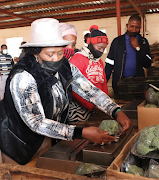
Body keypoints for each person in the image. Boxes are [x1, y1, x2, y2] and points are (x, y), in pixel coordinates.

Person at [0, 18, 130, 165]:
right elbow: (36, 123)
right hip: (20, 144)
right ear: (36, 53)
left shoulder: (64, 67)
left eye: (60, 53)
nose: (56, 59)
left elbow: (89, 90)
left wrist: (115, 110)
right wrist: (80, 133)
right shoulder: (23, 77)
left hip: (50, 136)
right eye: (50, 54)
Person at [69, 25, 109, 122]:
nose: (101, 51)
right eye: (99, 48)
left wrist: (106, 102)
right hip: (80, 110)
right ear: (90, 43)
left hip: (98, 107)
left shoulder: (99, 61)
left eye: (104, 48)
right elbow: (74, 89)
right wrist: (91, 106)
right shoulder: (77, 59)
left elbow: (103, 83)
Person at [105, 14, 152, 94]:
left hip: (138, 83)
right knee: (121, 105)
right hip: (119, 83)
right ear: (127, 25)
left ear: (140, 28)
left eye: (137, 27)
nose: (133, 30)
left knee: (136, 105)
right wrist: (104, 82)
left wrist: (138, 48)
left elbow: (147, 63)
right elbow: (109, 63)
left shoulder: (143, 42)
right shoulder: (117, 42)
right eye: (131, 26)